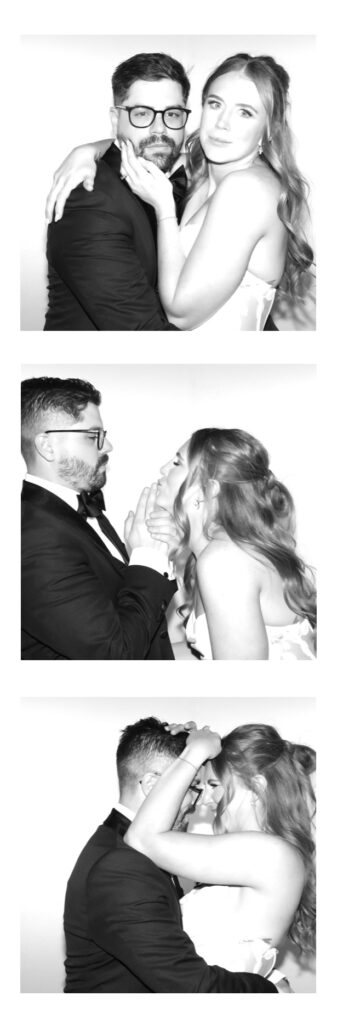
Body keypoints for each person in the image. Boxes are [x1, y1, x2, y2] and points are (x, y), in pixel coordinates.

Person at [50, 53, 314, 330]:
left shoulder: (246, 189)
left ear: (270, 129)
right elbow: (155, 143)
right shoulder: (200, 172)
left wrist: (165, 209)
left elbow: (179, 313)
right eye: (216, 104)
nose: (223, 123)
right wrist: (87, 150)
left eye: (245, 112)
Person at [63, 716, 278, 992]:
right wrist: (271, 991)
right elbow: (192, 987)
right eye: (193, 787)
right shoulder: (121, 866)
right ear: (153, 785)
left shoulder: (128, 850)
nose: (200, 802)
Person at [125, 723, 316, 985]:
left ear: (257, 788)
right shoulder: (260, 852)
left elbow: (141, 838)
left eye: (214, 784)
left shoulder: (269, 854)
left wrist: (194, 753)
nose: (204, 800)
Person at [21, 376, 178, 659]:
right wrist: (147, 560)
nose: (107, 447)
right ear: (47, 446)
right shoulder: (33, 536)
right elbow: (113, 654)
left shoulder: (76, 508)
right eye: (93, 436)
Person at [44, 53, 190, 330]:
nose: (160, 130)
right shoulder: (88, 200)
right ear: (116, 118)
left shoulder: (193, 176)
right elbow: (143, 334)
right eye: (142, 114)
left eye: (172, 114)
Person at [146, 427, 316, 659]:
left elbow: (242, 688)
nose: (163, 469)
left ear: (208, 490)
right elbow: (198, 656)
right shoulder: (213, 555)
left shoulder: (224, 560)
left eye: (177, 463)